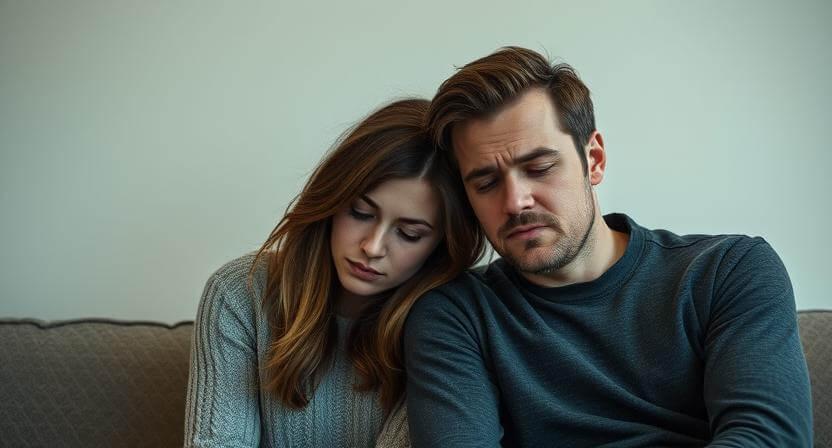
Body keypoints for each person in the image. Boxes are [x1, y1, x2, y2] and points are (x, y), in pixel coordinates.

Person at [403, 47, 813, 447]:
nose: (515, 202)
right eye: (486, 183)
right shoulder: (456, 316)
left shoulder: (729, 271)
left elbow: (767, 437)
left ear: (594, 160)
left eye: (539, 168)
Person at [184, 98, 485, 447]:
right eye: (360, 213)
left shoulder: (451, 323)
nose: (373, 247)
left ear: (441, 245)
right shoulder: (239, 293)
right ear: (332, 200)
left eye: (409, 233)